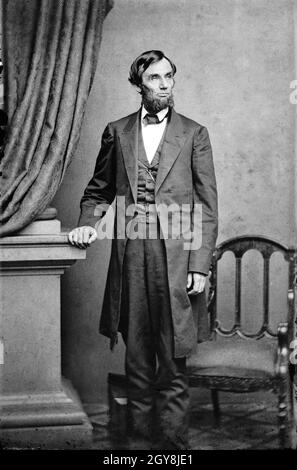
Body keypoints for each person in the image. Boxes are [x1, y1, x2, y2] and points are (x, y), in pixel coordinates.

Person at [68, 50, 218, 450]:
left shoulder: (194, 133)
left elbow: (205, 207)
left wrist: (199, 266)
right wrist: (87, 224)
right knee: (136, 359)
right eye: (155, 78)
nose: (165, 84)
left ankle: (172, 448)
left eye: (169, 75)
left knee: (171, 361)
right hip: (132, 253)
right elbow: (97, 191)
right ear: (139, 84)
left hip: (177, 257)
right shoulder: (117, 131)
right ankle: (137, 449)